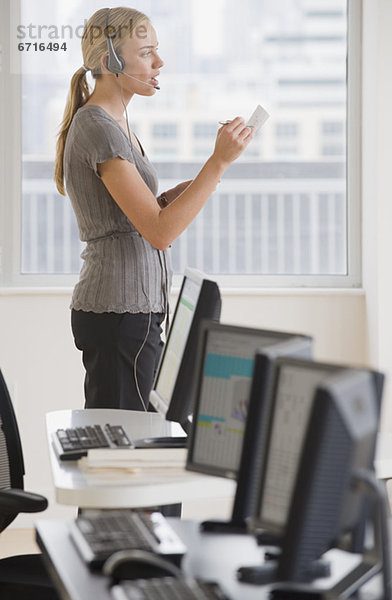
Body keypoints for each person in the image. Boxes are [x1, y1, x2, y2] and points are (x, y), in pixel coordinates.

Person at [54, 6, 254, 412]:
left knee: (135, 437)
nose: (159, 62)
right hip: (120, 315)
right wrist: (217, 164)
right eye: (146, 53)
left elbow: (141, 212)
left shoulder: (115, 121)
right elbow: (159, 231)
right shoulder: (98, 126)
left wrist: (200, 180)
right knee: (124, 448)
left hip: (130, 312)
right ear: (110, 61)